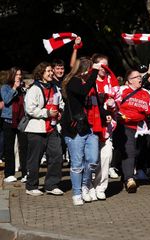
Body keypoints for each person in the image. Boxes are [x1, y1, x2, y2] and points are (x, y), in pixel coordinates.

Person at [61, 58, 101, 205]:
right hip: (74, 127)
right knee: (77, 163)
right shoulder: (73, 82)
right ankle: (77, 193)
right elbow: (83, 92)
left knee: (92, 160)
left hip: (89, 126)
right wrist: (95, 72)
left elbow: (96, 100)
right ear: (84, 70)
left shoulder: (86, 82)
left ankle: (85, 185)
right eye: (90, 69)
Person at [24, 62, 64, 196]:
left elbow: (61, 102)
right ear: (41, 73)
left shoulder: (55, 87)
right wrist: (46, 113)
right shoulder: (34, 89)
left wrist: (60, 112)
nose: (51, 73)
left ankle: (51, 185)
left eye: (51, 71)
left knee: (57, 156)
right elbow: (30, 109)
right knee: (34, 159)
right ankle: (31, 186)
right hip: (37, 129)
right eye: (48, 71)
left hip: (52, 128)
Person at [114, 69, 150, 192]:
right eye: (136, 77)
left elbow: (149, 110)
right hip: (124, 126)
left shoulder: (146, 93)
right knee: (129, 151)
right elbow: (113, 105)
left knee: (135, 152)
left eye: (140, 76)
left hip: (141, 128)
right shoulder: (122, 90)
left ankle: (125, 173)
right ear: (129, 81)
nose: (140, 78)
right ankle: (130, 179)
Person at [90, 53, 119, 201]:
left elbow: (117, 98)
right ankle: (89, 186)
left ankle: (101, 186)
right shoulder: (90, 79)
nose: (104, 68)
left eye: (106, 65)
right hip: (92, 123)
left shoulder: (111, 81)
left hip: (107, 125)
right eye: (101, 64)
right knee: (92, 157)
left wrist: (112, 106)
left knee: (106, 155)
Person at [1, 67, 28, 183]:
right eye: (17, 74)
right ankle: (9, 174)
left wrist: (24, 90)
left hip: (21, 121)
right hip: (8, 120)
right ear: (12, 75)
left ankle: (25, 173)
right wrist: (14, 88)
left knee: (24, 147)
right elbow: (6, 100)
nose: (19, 76)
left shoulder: (22, 88)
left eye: (20, 74)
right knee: (9, 148)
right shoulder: (5, 87)